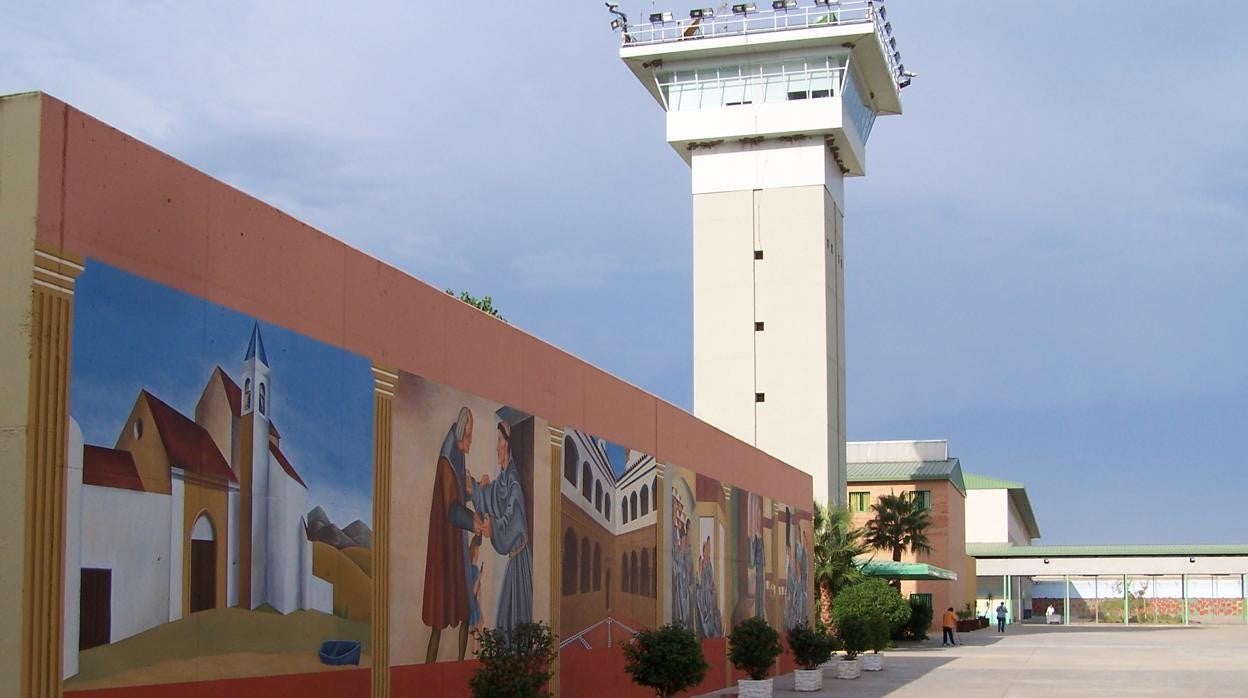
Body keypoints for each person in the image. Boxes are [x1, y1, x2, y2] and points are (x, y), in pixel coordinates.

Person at [423, 407, 490, 663]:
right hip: (445, 549)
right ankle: (430, 670)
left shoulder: (457, 455)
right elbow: (452, 508)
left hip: (456, 547)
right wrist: (475, 522)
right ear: (462, 433)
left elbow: (464, 489)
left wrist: (476, 490)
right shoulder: (447, 460)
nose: (471, 442)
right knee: (439, 621)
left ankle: (461, 666)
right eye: (470, 436)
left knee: (463, 611)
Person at [470, 419, 533, 636]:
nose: (497, 446)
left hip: (520, 561)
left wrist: (494, 527)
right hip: (513, 559)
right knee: (507, 617)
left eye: (499, 441)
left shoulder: (513, 482)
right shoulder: (504, 479)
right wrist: (476, 487)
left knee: (512, 616)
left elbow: (511, 517)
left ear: (508, 444)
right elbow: (492, 495)